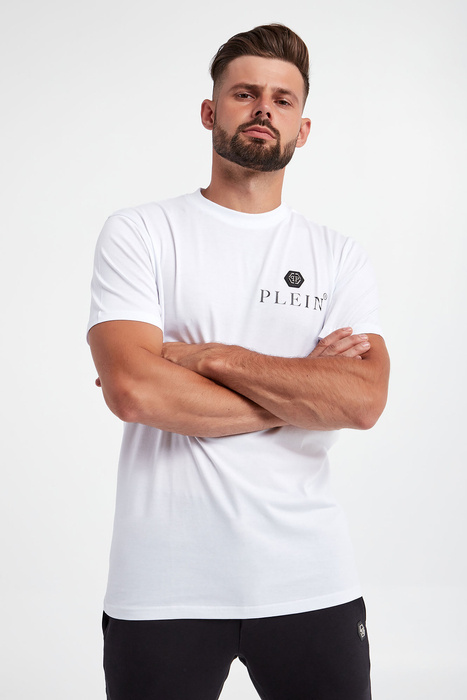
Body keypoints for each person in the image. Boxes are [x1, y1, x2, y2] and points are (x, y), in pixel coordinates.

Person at [87, 23, 389, 700]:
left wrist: (204, 358)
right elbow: (134, 391)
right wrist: (303, 391)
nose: (262, 109)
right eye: (244, 93)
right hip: (163, 585)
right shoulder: (141, 233)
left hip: (310, 578)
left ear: (302, 129)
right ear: (209, 111)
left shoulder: (338, 256)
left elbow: (363, 401)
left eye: (282, 100)